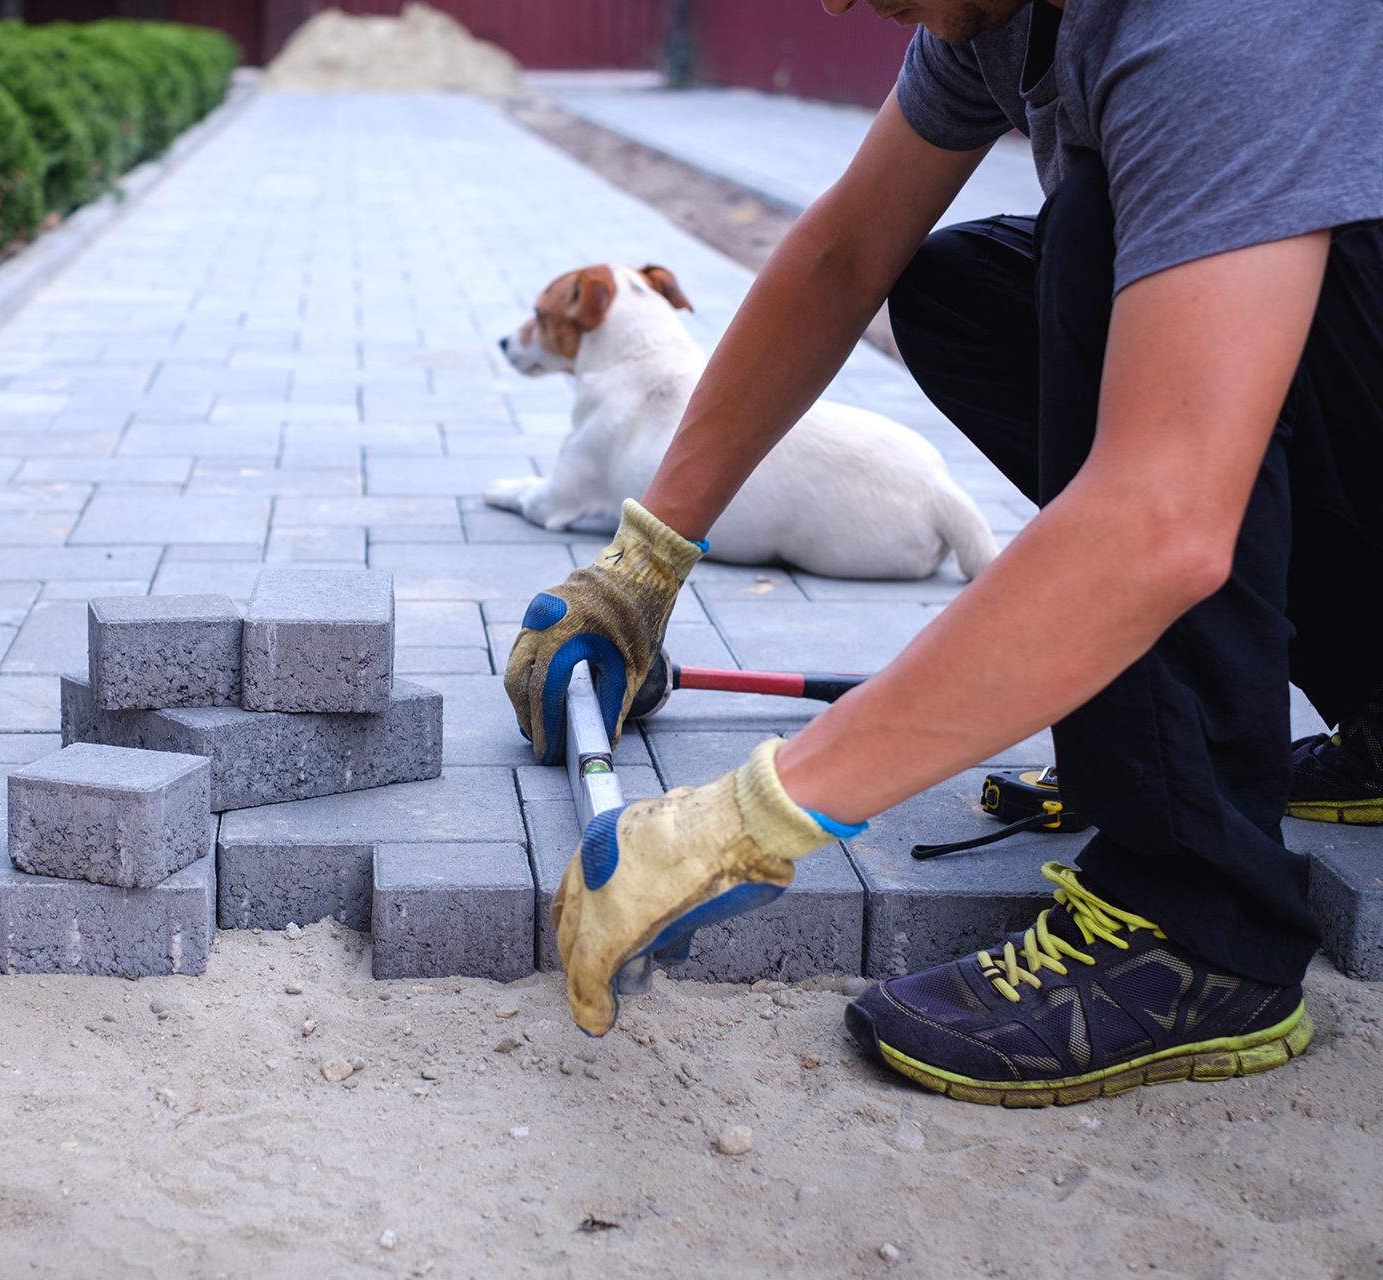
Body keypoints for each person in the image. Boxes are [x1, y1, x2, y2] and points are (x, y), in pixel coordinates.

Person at [505, 0, 1383, 1106]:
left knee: (1103, 243)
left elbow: (1163, 515)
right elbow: (840, 256)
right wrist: (645, 561)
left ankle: (1195, 925)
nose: (832, 6)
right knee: (961, 293)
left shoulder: (1219, 22)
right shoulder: (993, 20)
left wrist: (744, 819)